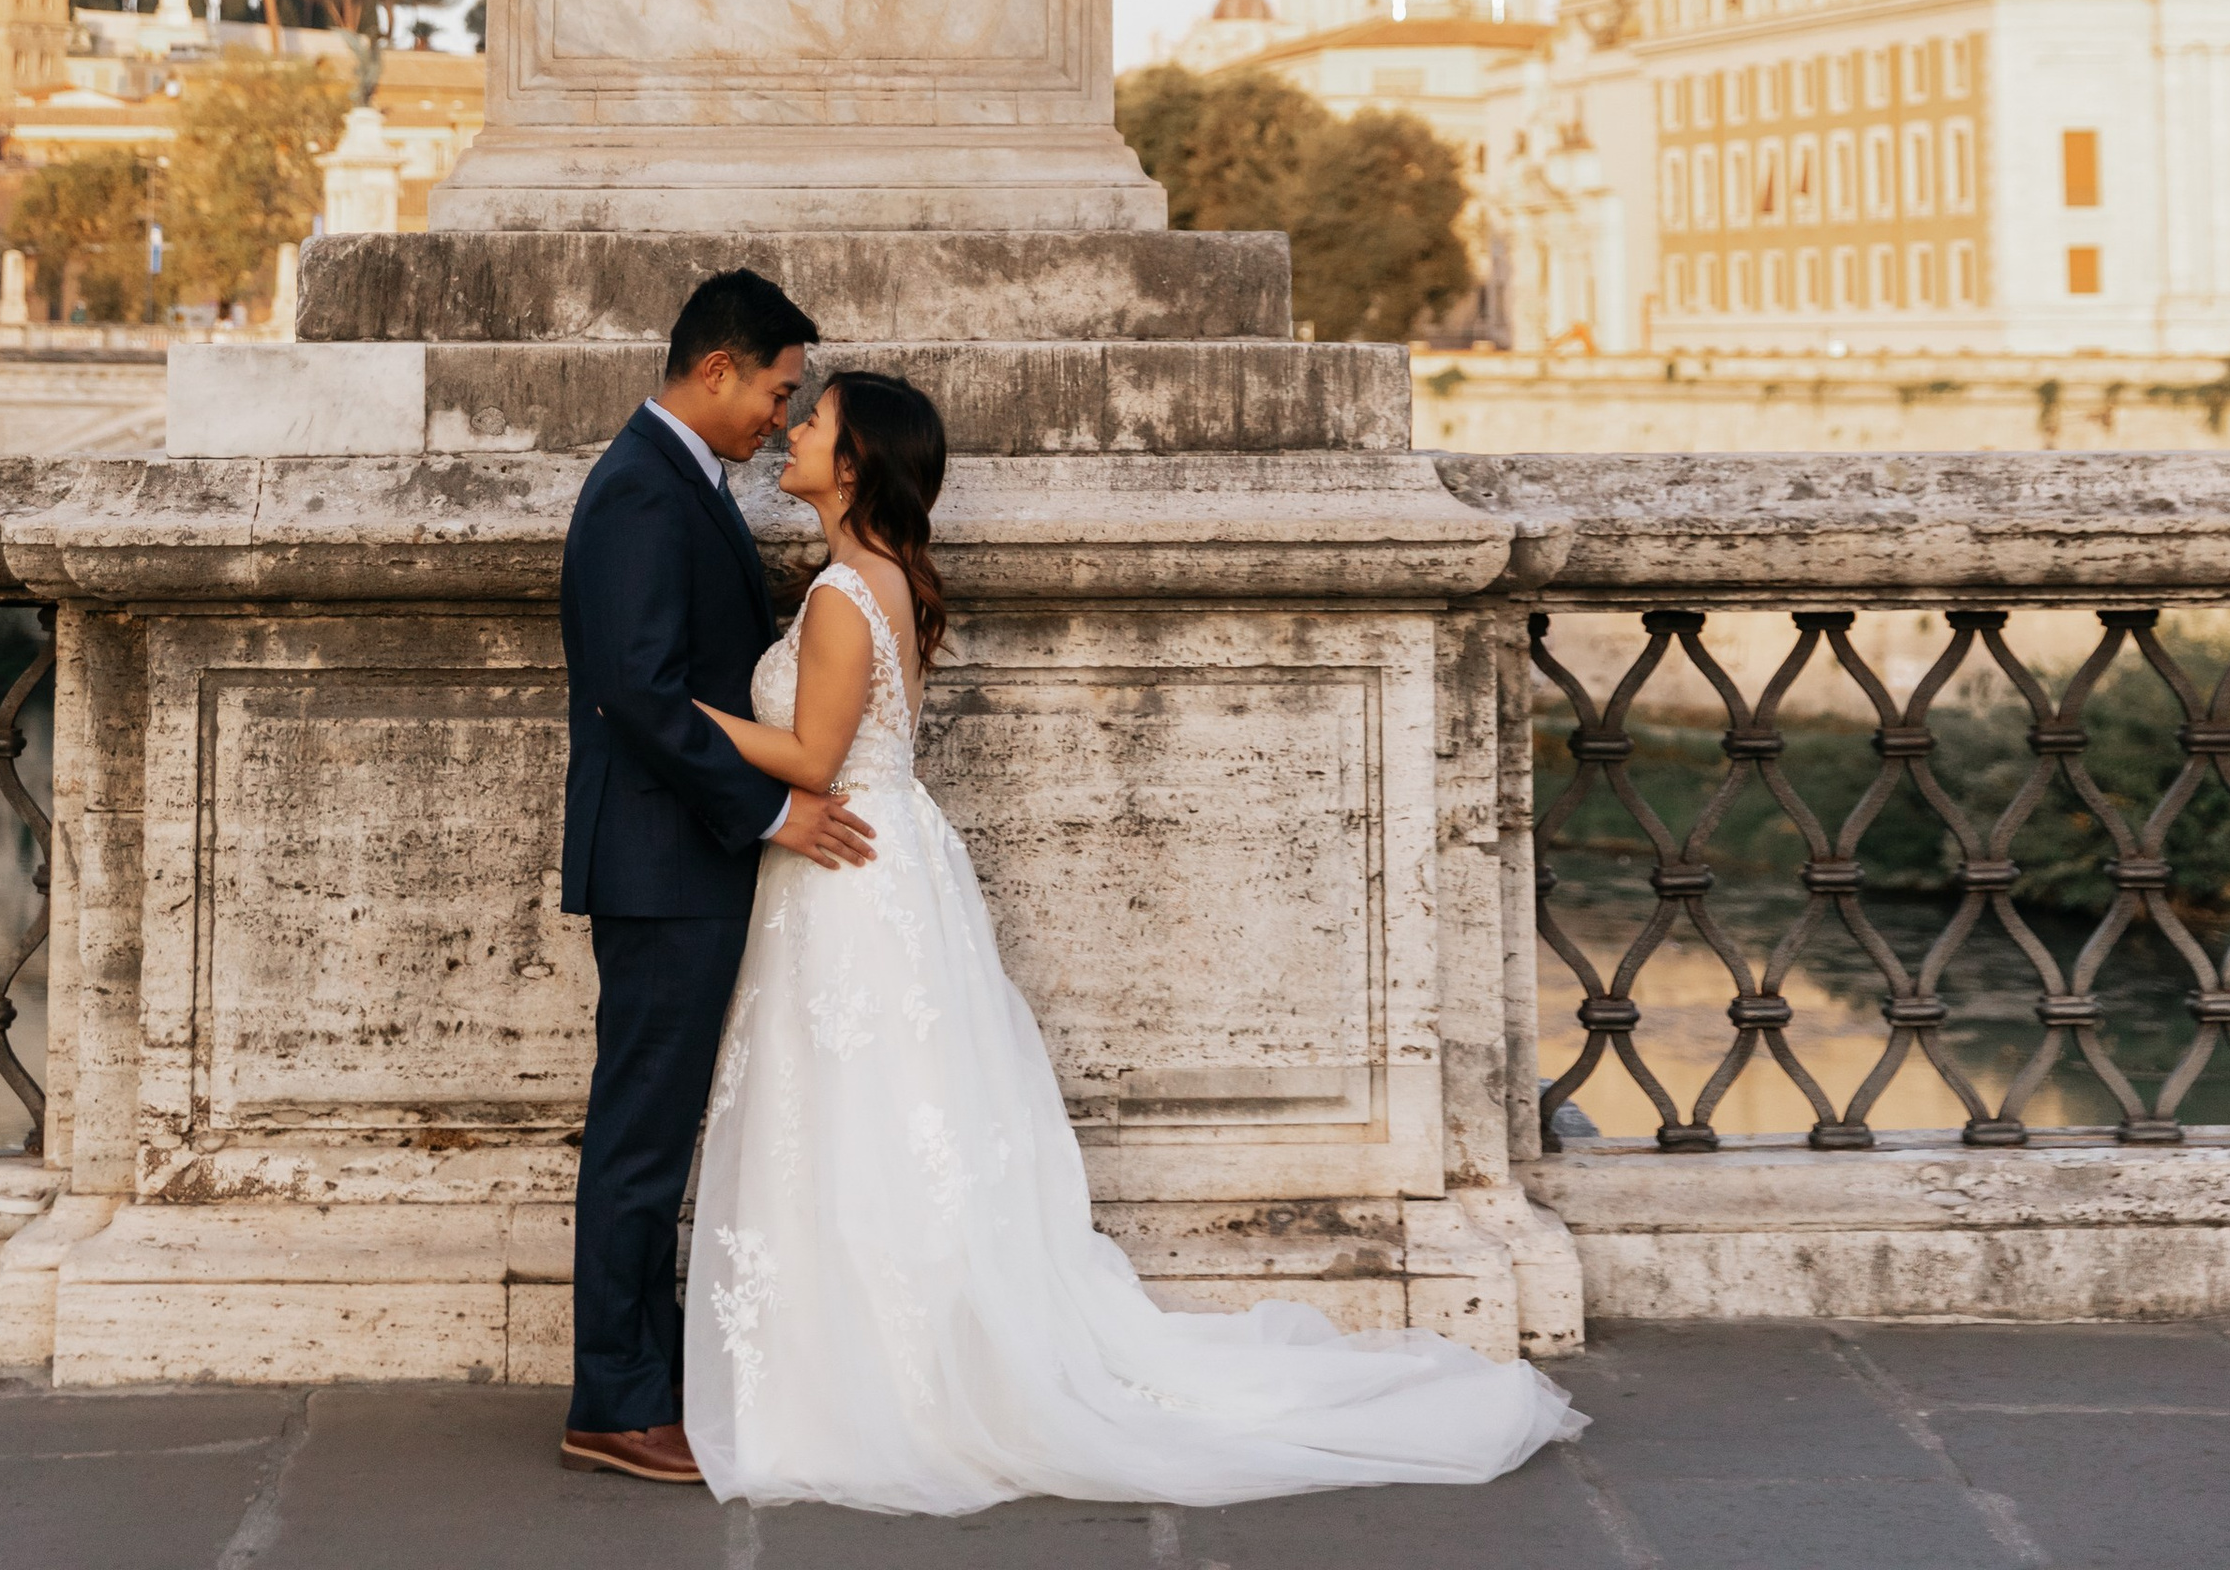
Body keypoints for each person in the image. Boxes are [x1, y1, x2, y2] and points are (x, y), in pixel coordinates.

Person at [682, 370, 1582, 1514]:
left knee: (857, 1114)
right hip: (882, 864)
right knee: (890, 1120)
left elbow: (812, 759)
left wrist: (677, 712)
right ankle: (875, 1366)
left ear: (852, 463)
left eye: (809, 423)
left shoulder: (837, 598)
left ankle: (863, 1385)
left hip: (850, 873)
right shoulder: (883, 583)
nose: (789, 432)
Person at [557, 268, 876, 1484]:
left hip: (675, 853)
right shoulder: (642, 491)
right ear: (715, 371)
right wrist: (770, 809)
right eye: (778, 393)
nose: (783, 421)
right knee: (641, 1137)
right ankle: (617, 1400)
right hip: (663, 859)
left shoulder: (675, 482)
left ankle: (643, 1376)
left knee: (656, 1128)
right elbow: (637, 691)